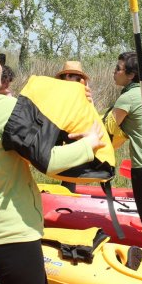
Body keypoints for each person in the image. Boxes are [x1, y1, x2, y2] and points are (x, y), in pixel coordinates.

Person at [0, 34, 104, 284]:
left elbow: (26, 136)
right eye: (0, 60)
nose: (1, 66)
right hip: (14, 236)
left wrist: (73, 100)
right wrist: (89, 144)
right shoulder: (2, 108)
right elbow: (50, 161)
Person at [107, 51, 142, 248]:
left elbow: (108, 129)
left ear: (131, 75)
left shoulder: (126, 99)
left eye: (118, 69)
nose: (114, 72)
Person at [54, 61, 90, 192]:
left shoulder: (83, 91)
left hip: (73, 129)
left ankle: (68, 190)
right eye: (76, 76)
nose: (79, 80)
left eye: (80, 77)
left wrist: (88, 99)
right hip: (57, 127)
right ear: (67, 76)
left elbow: (88, 111)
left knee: (72, 164)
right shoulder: (56, 91)